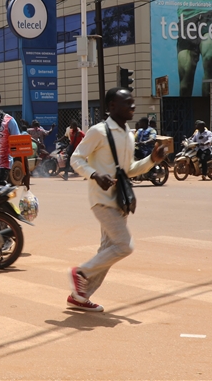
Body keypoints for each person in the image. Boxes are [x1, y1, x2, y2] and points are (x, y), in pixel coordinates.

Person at [67, 88, 167, 312]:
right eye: (126, 103)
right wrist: (94, 174)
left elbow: (128, 170)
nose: (132, 106)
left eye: (133, 102)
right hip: (101, 200)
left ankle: (79, 296)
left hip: (120, 201)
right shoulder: (98, 132)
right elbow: (76, 158)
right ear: (112, 106)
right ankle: (81, 272)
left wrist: (152, 159)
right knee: (124, 246)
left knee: (107, 252)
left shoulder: (129, 134)